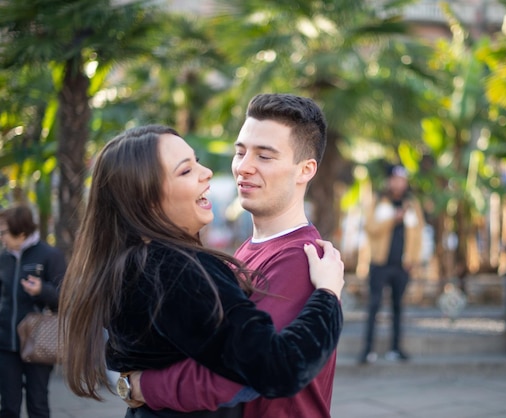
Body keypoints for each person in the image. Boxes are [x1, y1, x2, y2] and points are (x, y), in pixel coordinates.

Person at [58, 124, 345, 417]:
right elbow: (278, 368)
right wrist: (327, 295)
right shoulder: (177, 270)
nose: (207, 172)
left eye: (265, 156)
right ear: (145, 199)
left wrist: (137, 386)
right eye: (185, 171)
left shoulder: (126, 264)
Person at [0, 204, 66, 418]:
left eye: (3, 232)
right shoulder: (4, 258)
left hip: (38, 343)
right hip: (6, 344)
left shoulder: (49, 255)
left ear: (21, 232)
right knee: (8, 405)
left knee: (37, 404)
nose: (1, 237)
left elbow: (64, 298)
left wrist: (41, 290)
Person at [358, 164, 425, 364]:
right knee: (374, 305)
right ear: (389, 180)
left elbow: (419, 233)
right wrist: (393, 220)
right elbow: (370, 227)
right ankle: (367, 350)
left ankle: (396, 348)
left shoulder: (412, 204)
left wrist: (413, 259)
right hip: (380, 264)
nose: (399, 183)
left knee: (398, 307)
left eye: (402, 179)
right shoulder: (379, 201)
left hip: (402, 266)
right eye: (395, 179)